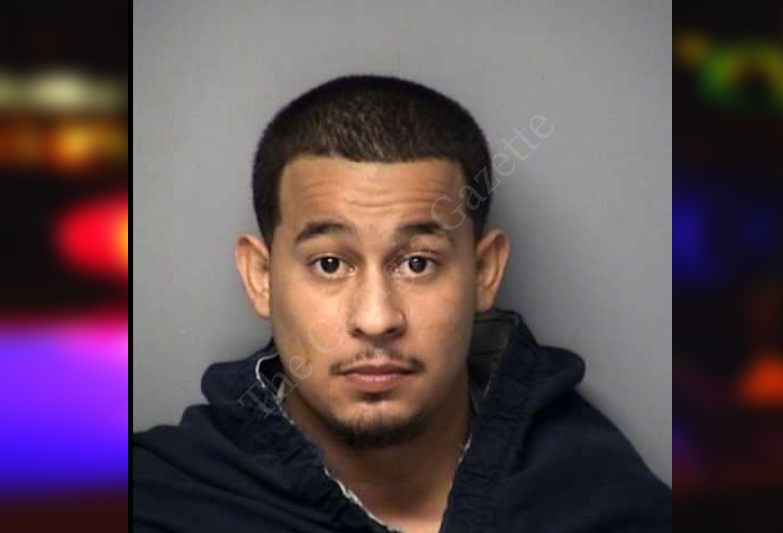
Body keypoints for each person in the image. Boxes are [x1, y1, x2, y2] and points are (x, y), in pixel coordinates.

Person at [133, 75, 671, 533]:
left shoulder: (605, 499)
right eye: (329, 264)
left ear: (484, 273)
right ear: (261, 278)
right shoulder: (156, 500)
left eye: (417, 263)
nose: (377, 319)